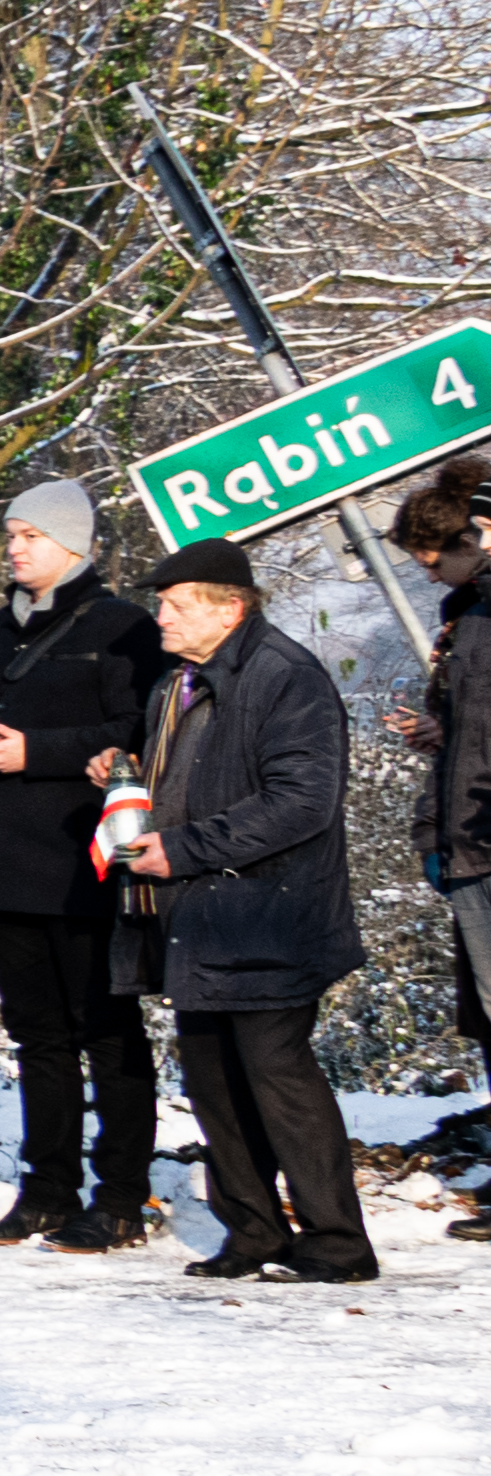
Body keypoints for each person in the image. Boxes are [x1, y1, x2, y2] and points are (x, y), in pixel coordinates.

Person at [98, 542, 379, 1283]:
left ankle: (337, 1242)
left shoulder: (286, 677)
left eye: (176, 604)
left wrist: (183, 848)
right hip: (197, 919)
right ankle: (253, 1233)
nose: (159, 615)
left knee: (278, 1077)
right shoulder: (178, 685)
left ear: (231, 608)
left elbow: (302, 803)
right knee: (214, 1081)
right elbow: (188, 780)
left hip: (269, 917)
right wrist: (125, 773)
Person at [0, 477, 170, 1249]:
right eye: (11, 534)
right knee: (36, 1035)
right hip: (5, 861)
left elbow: (138, 727)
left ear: (73, 544)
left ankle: (121, 1196)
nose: (15, 547)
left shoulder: (123, 626)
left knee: (107, 1032)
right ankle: (44, 1189)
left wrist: (32, 753)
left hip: (87, 860)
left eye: (30, 535)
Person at [383, 475, 491, 1095]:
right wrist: (439, 729)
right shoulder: (461, 621)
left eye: (426, 560)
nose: (426, 576)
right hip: (466, 842)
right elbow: (465, 727)